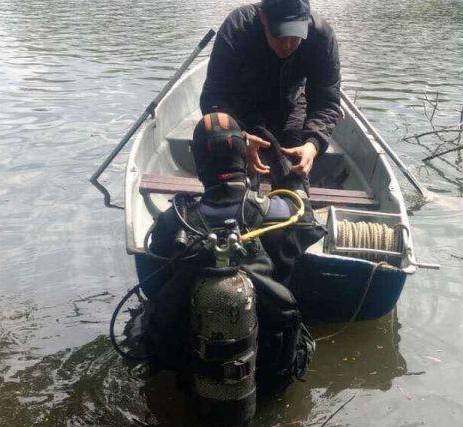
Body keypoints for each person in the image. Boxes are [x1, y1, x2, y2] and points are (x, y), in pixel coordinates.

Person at [141, 113, 319, 399]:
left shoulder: (175, 221)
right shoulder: (279, 215)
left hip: (193, 370)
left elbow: (155, 282)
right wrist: (285, 170)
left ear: (197, 164)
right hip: (269, 367)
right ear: (244, 159)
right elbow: (309, 223)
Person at [200, 0, 342, 182]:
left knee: (295, 177)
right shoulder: (237, 28)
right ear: (263, 18)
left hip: (291, 108)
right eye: (280, 35)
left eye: (296, 36)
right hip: (240, 109)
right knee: (230, 170)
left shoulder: (322, 36)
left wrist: (312, 144)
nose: (288, 44)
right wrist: (239, 138)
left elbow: (326, 102)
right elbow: (214, 96)